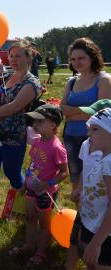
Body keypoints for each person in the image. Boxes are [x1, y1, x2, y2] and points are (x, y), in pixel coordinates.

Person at [0, 41, 40, 214]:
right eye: (11, 56)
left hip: (12, 134)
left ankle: (23, 208)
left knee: (12, 172)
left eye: (18, 56)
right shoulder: (6, 76)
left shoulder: (32, 82)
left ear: (28, 58)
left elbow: (14, 107)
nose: (13, 59)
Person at [8, 105, 68, 266]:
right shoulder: (37, 141)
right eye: (34, 120)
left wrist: (46, 184)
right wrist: (26, 184)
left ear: (53, 125)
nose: (35, 124)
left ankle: (40, 253)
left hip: (45, 193)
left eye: (40, 121)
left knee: (44, 224)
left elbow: (64, 173)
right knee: (30, 217)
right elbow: (33, 164)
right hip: (31, 189)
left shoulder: (57, 148)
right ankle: (28, 245)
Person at [60, 99, 111, 270]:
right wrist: (80, 189)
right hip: (90, 222)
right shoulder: (98, 154)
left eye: (95, 129)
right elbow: (85, 172)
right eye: (89, 128)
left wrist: (97, 242)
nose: (88, 134)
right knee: (91, 266)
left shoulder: (110, 164)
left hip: (104, 234)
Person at [60, 38, 111, 199]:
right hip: (71, 136)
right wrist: (85, 111)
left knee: (98, 180)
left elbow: (102, 113)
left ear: (92, 57)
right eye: (73, 59)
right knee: (75, 177)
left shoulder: (104, 80)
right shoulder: (72, 81)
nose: (77, 62)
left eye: (81, 58)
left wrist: (72, 112)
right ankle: (80, 216)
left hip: (96, 139)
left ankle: (99, 220)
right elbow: (61, 109)